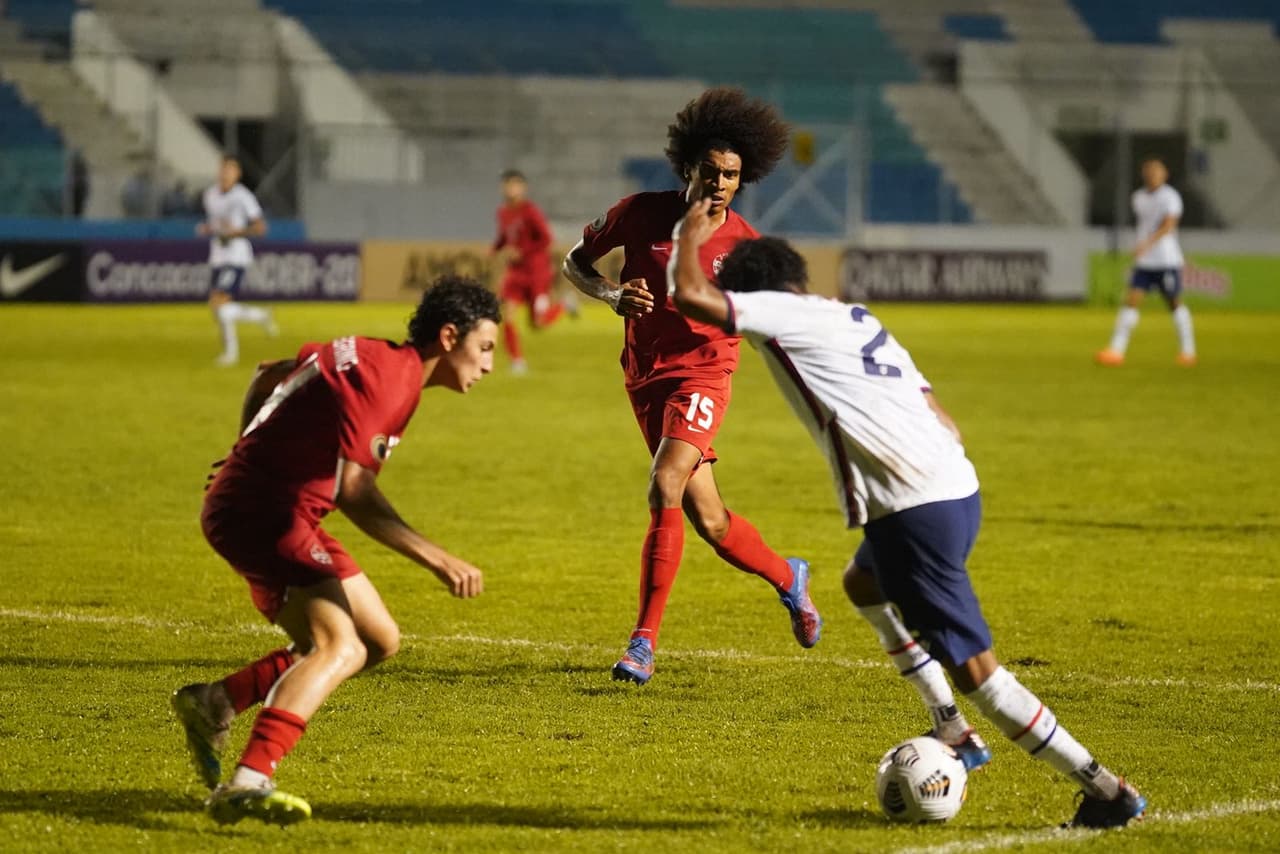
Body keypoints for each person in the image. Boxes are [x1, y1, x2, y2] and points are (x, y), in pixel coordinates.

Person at [668, 206, 1147, 829]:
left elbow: (691, 297)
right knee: (862, 583)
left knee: (979, 671)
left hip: (911, 508)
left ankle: (1108, 793)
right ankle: (955, 730)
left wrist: (689, 236)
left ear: (757, 293)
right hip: (955, 488)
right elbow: (939, 412)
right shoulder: (856, 316)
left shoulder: (783, 313)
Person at [171, 277, 499, 825]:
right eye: (484, 348)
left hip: (279, 506)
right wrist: (438, 558)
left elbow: (269, 374)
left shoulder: (374, 355)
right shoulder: (391, 381)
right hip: (268, 514)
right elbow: (356, 492)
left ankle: (216, 702)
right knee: (339, 646)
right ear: (449, 337)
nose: (489, 365)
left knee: (378, 639)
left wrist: (245, 449)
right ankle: (250, 780)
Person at [562, 87, 821, 686]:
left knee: (665, 482)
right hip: (644, 376)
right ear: (688, 167)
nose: (722, 184)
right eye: (712, 171)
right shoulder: (638, 213)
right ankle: (790, 577)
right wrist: (609, 294)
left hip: (705, 374)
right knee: (711, 521)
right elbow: (575, 261)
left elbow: (777, 319)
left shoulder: (747, 247)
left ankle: (642, 643)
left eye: (732, 174)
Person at [1096, 157, 1196, 367]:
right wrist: (1142, 247)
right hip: (1145, 262)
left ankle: (1188, 350)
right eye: (1148, 171)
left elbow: (1169, 225)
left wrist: (1145, 244)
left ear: (1164, 174)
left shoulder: (1170, 196)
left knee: (1174, 303)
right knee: (1131, 301)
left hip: (1166, 260)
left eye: (1156, 171)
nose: (1151, 174)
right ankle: (1116, 350)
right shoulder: (1138, 197)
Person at [200, 154, 276, 367]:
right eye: (223, 169)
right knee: (218, 308)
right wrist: (208, 229)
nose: (225, 173)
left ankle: (230, 354)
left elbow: (261, 228)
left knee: (219, 304)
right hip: (217, 255)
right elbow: (215, 224)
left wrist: (237, 233)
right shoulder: (209, 195)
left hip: (236, 256)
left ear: (237, 174)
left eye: (230, 170)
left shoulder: (244, 197)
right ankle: (261, 316)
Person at [491, 169, 565, 375]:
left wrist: (522, 252)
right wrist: (495, 249)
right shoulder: (503, 212)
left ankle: (564, 306)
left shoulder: (531, 211)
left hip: (536, 272)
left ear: (523, 188)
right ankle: (517, 361)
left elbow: (546, 239)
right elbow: (505, 237)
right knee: (508, 314)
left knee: (538, 323)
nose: (510, 189)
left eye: (515, 185)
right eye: (507, 185)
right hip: (516, 274)